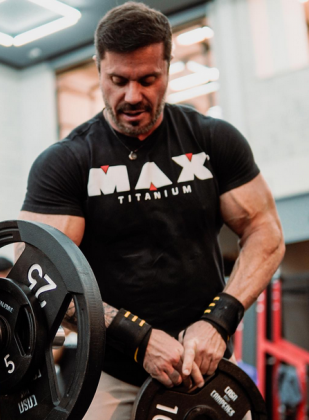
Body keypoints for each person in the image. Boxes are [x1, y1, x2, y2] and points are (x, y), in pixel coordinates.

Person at [18, 2, 285, 419]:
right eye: (118, 80)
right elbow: (42, 274)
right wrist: (135, 337)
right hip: (110, 372)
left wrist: (219, 321)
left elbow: (265, 234)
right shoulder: (68, 161)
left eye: (148, 79)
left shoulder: (212, 141)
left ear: (168, 67)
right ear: (99, 68)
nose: (132, 96)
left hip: (205, 365)